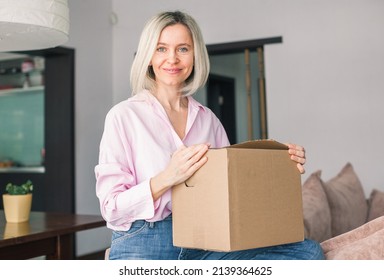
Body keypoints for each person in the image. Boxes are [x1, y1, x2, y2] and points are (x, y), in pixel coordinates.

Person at [95, 10, 324, 260]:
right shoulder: (123, 116)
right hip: (145, 240)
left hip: (203, 240)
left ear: (195, 56)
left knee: (309, 252)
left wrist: (281, 165)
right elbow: (111, 208)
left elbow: (231, 194)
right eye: (161, 48)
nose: (172, 59)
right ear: (148, 56)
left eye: (183, 49)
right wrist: (167, 177)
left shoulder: (208, 120)